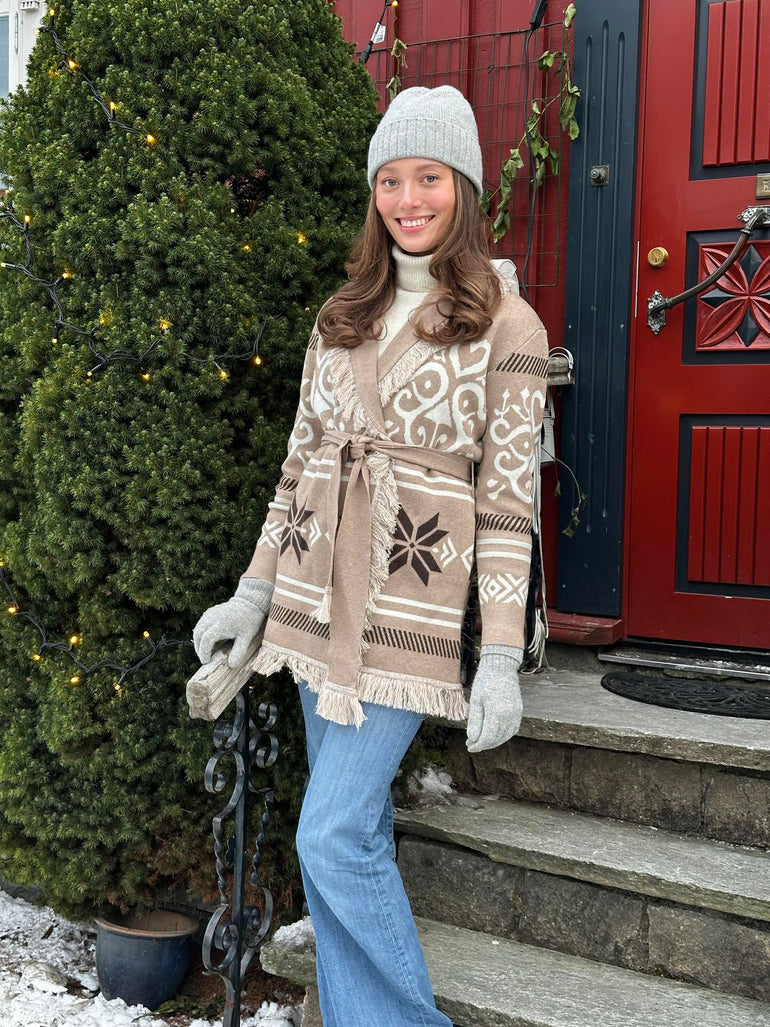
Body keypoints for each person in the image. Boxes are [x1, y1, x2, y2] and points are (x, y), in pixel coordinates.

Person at [193, 85, 548, 1027]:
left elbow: (508, 504)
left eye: (429, 177)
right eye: (390, 180)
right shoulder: (341, 314)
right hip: (314, 605)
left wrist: (499, 657)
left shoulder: (508, 327)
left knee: (333, 834)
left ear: (464, 187)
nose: (407, 199)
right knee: (347, 835)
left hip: (406, 616)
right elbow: (297, 469)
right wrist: (252, 595)